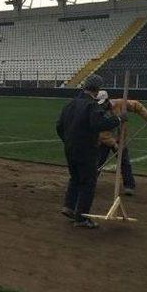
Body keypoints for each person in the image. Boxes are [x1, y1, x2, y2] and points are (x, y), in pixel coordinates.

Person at [56, 74, 122, 229]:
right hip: (86, 149)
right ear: (97, 89)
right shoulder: (91, 105)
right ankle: (82, 217)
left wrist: (67, 141)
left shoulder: (70, 104)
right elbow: (99, 124)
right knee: (88, 182)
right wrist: (118, 120)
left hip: (70, 147)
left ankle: (69, 206)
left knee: (75, 177)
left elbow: (59, 126)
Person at [96, 90, 147, 196]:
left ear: (107, 100)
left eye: (103, 103)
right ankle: (89, 183)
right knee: (98, 162)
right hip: (105, 141)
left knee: (125, 162)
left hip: (120, 138)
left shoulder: (119, 104)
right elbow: (102, 134)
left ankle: (129, 186)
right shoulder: (98, 112)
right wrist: (114, 144)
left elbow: (136, 105)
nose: (102, 105)